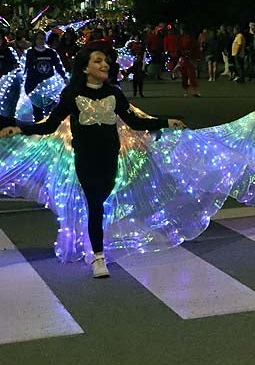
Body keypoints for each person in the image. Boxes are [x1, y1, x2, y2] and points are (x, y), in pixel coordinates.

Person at [0, 45, 186, 277]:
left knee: (103, 199)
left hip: (110, 157)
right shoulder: (72, 94)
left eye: (105, 61)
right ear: (86, 68)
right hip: (85, 158)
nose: (104, 65)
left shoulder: (114, 93)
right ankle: (98, 257)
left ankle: (93, 237)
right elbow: (49, 125)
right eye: (97, 61)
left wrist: (166, 122)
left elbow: (134, 122)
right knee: (95, 204)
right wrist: (19, 129)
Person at [23, 30, 69, 121]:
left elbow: (59, 66)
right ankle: (38, 128)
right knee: (37, 110)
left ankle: (47, 128)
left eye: (43, 38)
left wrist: (64, 77)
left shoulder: (51, 52)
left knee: (49, 110)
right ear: (35, 40)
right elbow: (24, 67)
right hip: (33, 85)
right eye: (39, 38)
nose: (41, 40)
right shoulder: (29, 53)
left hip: (48, 86)